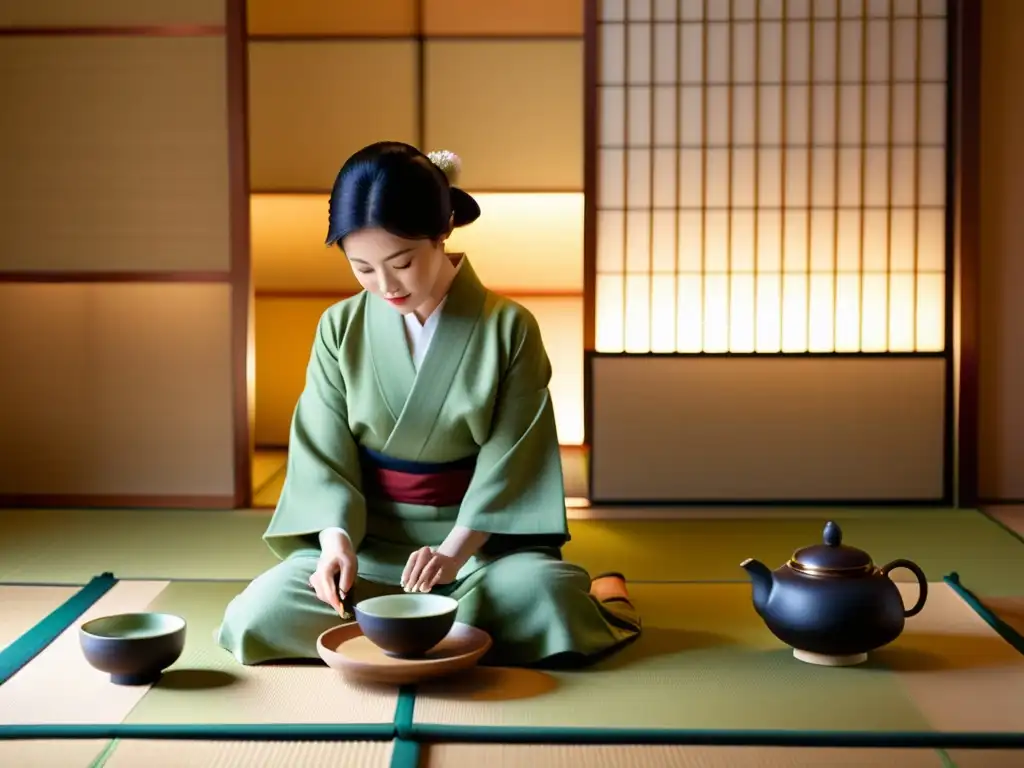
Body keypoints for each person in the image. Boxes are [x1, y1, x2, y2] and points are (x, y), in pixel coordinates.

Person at [216, 141, 641, 668]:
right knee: (263, 612)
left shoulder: (508, 328)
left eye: (402, 262)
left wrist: (454, 551)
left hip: (480, 553)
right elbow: (321, 455)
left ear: (442, 234)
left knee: (543, 596)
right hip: (368, 545)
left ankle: (412, 624)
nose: (385, 285)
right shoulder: (339, 328)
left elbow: (514, 461)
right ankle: (442, 630)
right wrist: (335, 543)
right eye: (362, 268)